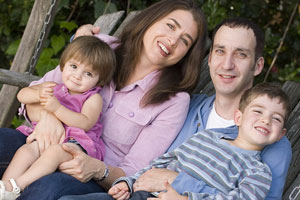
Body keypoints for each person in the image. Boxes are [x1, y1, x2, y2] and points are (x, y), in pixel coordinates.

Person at [0, 0, 208, 199]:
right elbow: (34, 95)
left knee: (50, 187)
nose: (172, 40)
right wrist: (48, 117)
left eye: (184, 41)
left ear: (187, 54)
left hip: (88, 173)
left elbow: (135, 171)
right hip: (41, 141)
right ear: (151, 20)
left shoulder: (173, 100)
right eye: (171, 26)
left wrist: (97, 169)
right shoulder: (101, 48)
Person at [125, 17, 292, 200]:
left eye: (240, 54)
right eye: (220, 51)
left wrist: (179, 181)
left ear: (258, 66)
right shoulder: (185, 107)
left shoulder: (270, 140)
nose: (227, 64)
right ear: (210, 58)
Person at [102, 82, 290, 200]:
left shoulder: (258, 172)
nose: (266, 120)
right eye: (258, 111)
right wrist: (128, 182)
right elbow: (161, 164)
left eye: (276, 118)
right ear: (238, 118)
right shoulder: (206, 137)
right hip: (139, 193)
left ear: (280, 134)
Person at [0, 36, 116, 199]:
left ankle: (18, 185)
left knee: (54, 153)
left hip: (75, 145)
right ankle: (5, 188)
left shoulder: (92, 98)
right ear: (63, 65)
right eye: (73, 66)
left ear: (100, 80)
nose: (77, 76)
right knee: (26, 151)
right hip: (48, 138)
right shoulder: (55, 87)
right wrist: (37, 94)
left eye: (88, 73)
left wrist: (58, 109)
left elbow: (85, 123)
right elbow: (22, 95)